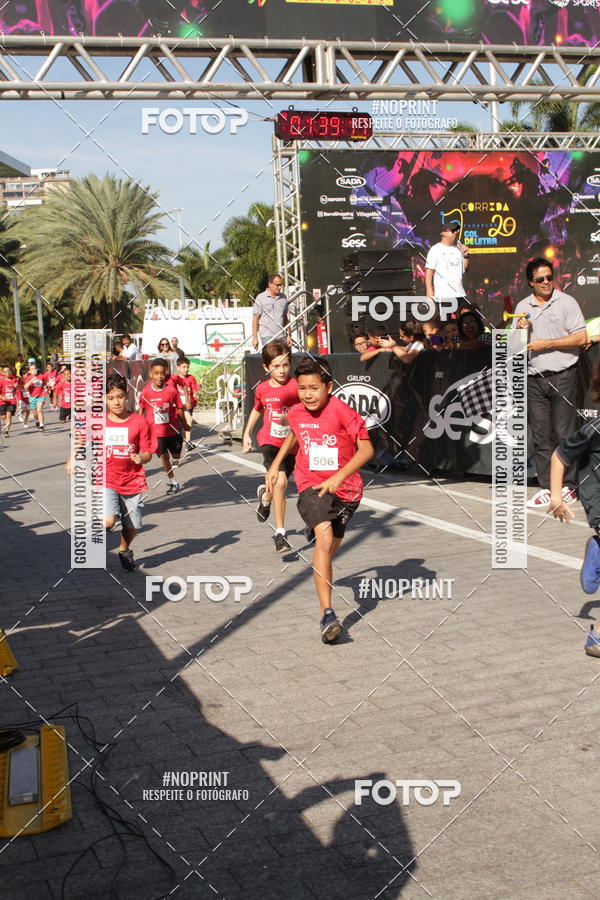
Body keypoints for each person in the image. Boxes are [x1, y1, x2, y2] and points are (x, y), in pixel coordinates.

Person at [265, 356, 374, 643]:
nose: (308, 395)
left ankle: (317, 533)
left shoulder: (343, 413)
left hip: (347, 493)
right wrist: (276, 465)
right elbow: (294, 434)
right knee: (324, 541)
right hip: (311, 485)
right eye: (302, 388)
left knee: (325, 553)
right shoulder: (298, 412)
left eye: (314, 388)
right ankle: (328, 615)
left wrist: (340, 477)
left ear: (329, 386)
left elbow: (366, 451)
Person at [512, 257, 587, 508]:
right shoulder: (523, 306)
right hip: (534, 378)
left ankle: (569, 486)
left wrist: (548, 344)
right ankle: (546, 487)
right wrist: (520, 329)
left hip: (563, 375)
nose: (546, 282)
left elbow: (581, 337)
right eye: (540, 279)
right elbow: (513, 345)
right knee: (541, 436)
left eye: (549, 277)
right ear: (530, 282)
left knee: (565, 433)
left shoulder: (567, 302)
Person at [66, 373, 156, 572]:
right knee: (108, 520)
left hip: (133, 480)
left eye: (120, 396)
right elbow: (82, 439)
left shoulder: (139, 422)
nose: (116, 402)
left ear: (127, 397)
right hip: (105, 477)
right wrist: (72, 457)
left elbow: (148, 451)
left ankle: (124, 550)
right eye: (111, 398)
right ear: (105, 400)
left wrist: (141, 458)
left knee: (131, 526)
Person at [546, 360, 600, 654]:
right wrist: (557, 498)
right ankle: (598, 636)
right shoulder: (595, 428)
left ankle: (598, 548)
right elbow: (560, 455)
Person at [242, 340, 299, 554]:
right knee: (281, 482)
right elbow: (257, 409)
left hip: (293, 444)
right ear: (266, 367)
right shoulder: (263, 389)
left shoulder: (297, 386)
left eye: (285, 365)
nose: (282, 370)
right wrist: (246, 433)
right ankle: (280, 534)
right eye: (276, 366)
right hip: (270, 442)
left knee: (276, 487)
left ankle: (265, 498)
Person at [138, 358, 185, 494]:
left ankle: (174, 462)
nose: (159, 376)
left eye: (162, 373)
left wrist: (185, 424)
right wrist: (140, 427)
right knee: (163, 458)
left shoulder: (171, 391)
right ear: (151, 374)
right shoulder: (146, 392)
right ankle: (173, 481)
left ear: (166, 374)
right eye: (156, 373)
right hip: (156, 432)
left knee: (175, 457)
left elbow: (179, 408)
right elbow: (141, 410)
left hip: (173, 430)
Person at [425, 223, 470, 304]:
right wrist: (429, 290)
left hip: (459, 294)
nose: (456, 232)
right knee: (445, 317)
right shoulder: (435, 249)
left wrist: (466, 256)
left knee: (463, 316)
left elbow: (465, 270)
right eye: (453, 231)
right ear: (444, 233)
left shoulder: (458, 249)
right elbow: (429, 271)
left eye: (457, 230)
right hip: (443, 295)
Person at [252, 274, 291, 350]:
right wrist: (255, 338)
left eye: (281, 285)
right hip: (267, 336)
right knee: (272, 359)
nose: (279, 287)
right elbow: (255, 319)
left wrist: (288, 335)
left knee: (282, 360)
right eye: (277, 285)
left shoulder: (283, 297)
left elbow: (285, 318)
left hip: (281, 336)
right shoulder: (260, 298)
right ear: (270, 284)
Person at [172, 356, 200, 446]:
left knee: (187, 422)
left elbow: (194, 389)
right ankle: (186, 441)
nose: (186, 369)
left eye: (187, 367)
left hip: (189, 404)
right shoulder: (175, 379)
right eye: (183, 367)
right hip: (180, 406)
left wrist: (195, 394)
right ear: (178, 367)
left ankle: (187, 441)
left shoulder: (191, 378)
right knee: (188, 420)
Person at [23, 362, 46, 431]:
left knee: (39, 410)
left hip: (41, 395)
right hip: (32, 397)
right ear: (29, 371)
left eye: (35, 368)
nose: (34, 370)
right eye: (32, 369)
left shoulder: (41, 376)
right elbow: (25, 387)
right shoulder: (28, 378)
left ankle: (42, 425)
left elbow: (44, 383)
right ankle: (37, 421)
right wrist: (32, 379)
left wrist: (46, 388)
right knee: (35, 413)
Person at [0, 364, 20, 436]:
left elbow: (17, 389)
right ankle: (5, 424)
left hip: (11, 401)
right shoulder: (1, 381)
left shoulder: (14, 380)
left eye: (8, 371)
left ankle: (6, 431)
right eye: (5, 372)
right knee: (3, 417)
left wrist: (16, 387)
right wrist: (2, 397)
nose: (7, 373)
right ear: (3, 373)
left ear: (10, 371)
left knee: (9, 414)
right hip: (2, 401)